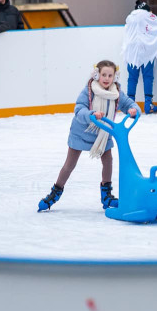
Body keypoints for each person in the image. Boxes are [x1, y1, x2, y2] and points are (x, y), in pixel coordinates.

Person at [37, 60, 138, 212]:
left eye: (110, 75)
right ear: (97, 75)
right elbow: (79, 109)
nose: (106, 78)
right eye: (103, 74)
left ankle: (106, 195)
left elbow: (129, 103)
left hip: (104, 133)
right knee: (69, 165)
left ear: (114, 77)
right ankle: (55, 192)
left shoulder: (116, 93)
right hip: (81, 133)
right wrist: (91, 115)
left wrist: (133, 109)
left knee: (108, 161)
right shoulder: (89, 91)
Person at [122, 0, 157, 114]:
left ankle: (130, 105)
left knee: (132, 77)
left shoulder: (130, 17)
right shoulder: (148, 15)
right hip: (145, 49)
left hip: (131, 50)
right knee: (148, 76)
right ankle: (148, 104)